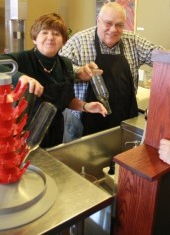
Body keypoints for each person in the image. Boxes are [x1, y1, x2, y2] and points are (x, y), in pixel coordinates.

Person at [0, 13, 107, 148]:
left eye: (56, 34)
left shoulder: (65, 64)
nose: (50, 37)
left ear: (63, 41)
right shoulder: (23, 59)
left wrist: (86, 106)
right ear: (35, 38)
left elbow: (67, 100)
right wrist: (20, 77)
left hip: (55, 131)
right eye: (44, 32)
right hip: (24, 132)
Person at [60, 2, 163, 136]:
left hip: (124, 118)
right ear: (98, 21)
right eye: (108, 23)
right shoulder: (79, 41)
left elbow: (162, 57)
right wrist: (78, 72)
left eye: (119, 25)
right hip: (82, 119)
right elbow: (59, 68)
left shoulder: (133, 40)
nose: (113, 29)